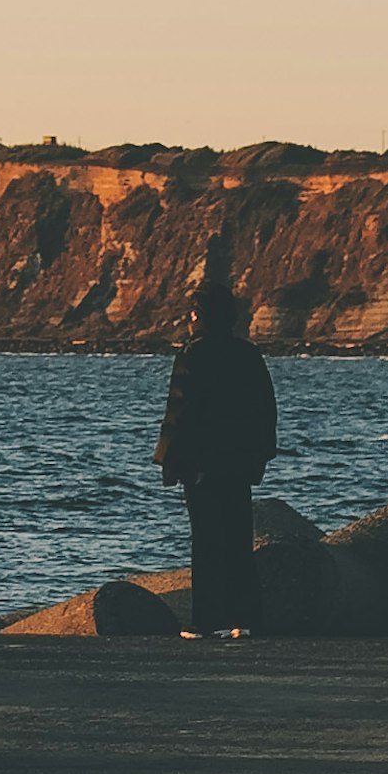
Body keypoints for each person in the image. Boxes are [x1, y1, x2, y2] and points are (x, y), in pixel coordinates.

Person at [154, 248, 278, 640]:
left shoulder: (194, 355)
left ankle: (205, 620)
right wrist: (260, 455)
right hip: (239, 463)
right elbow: (265, 409)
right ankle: (247, 619)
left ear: (200, 317)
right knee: (239, 541)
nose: (189, 322)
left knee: (207, 544)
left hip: (203, 465)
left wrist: (169, 460)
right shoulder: (248, 354)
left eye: (192, 315)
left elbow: (180, 413)